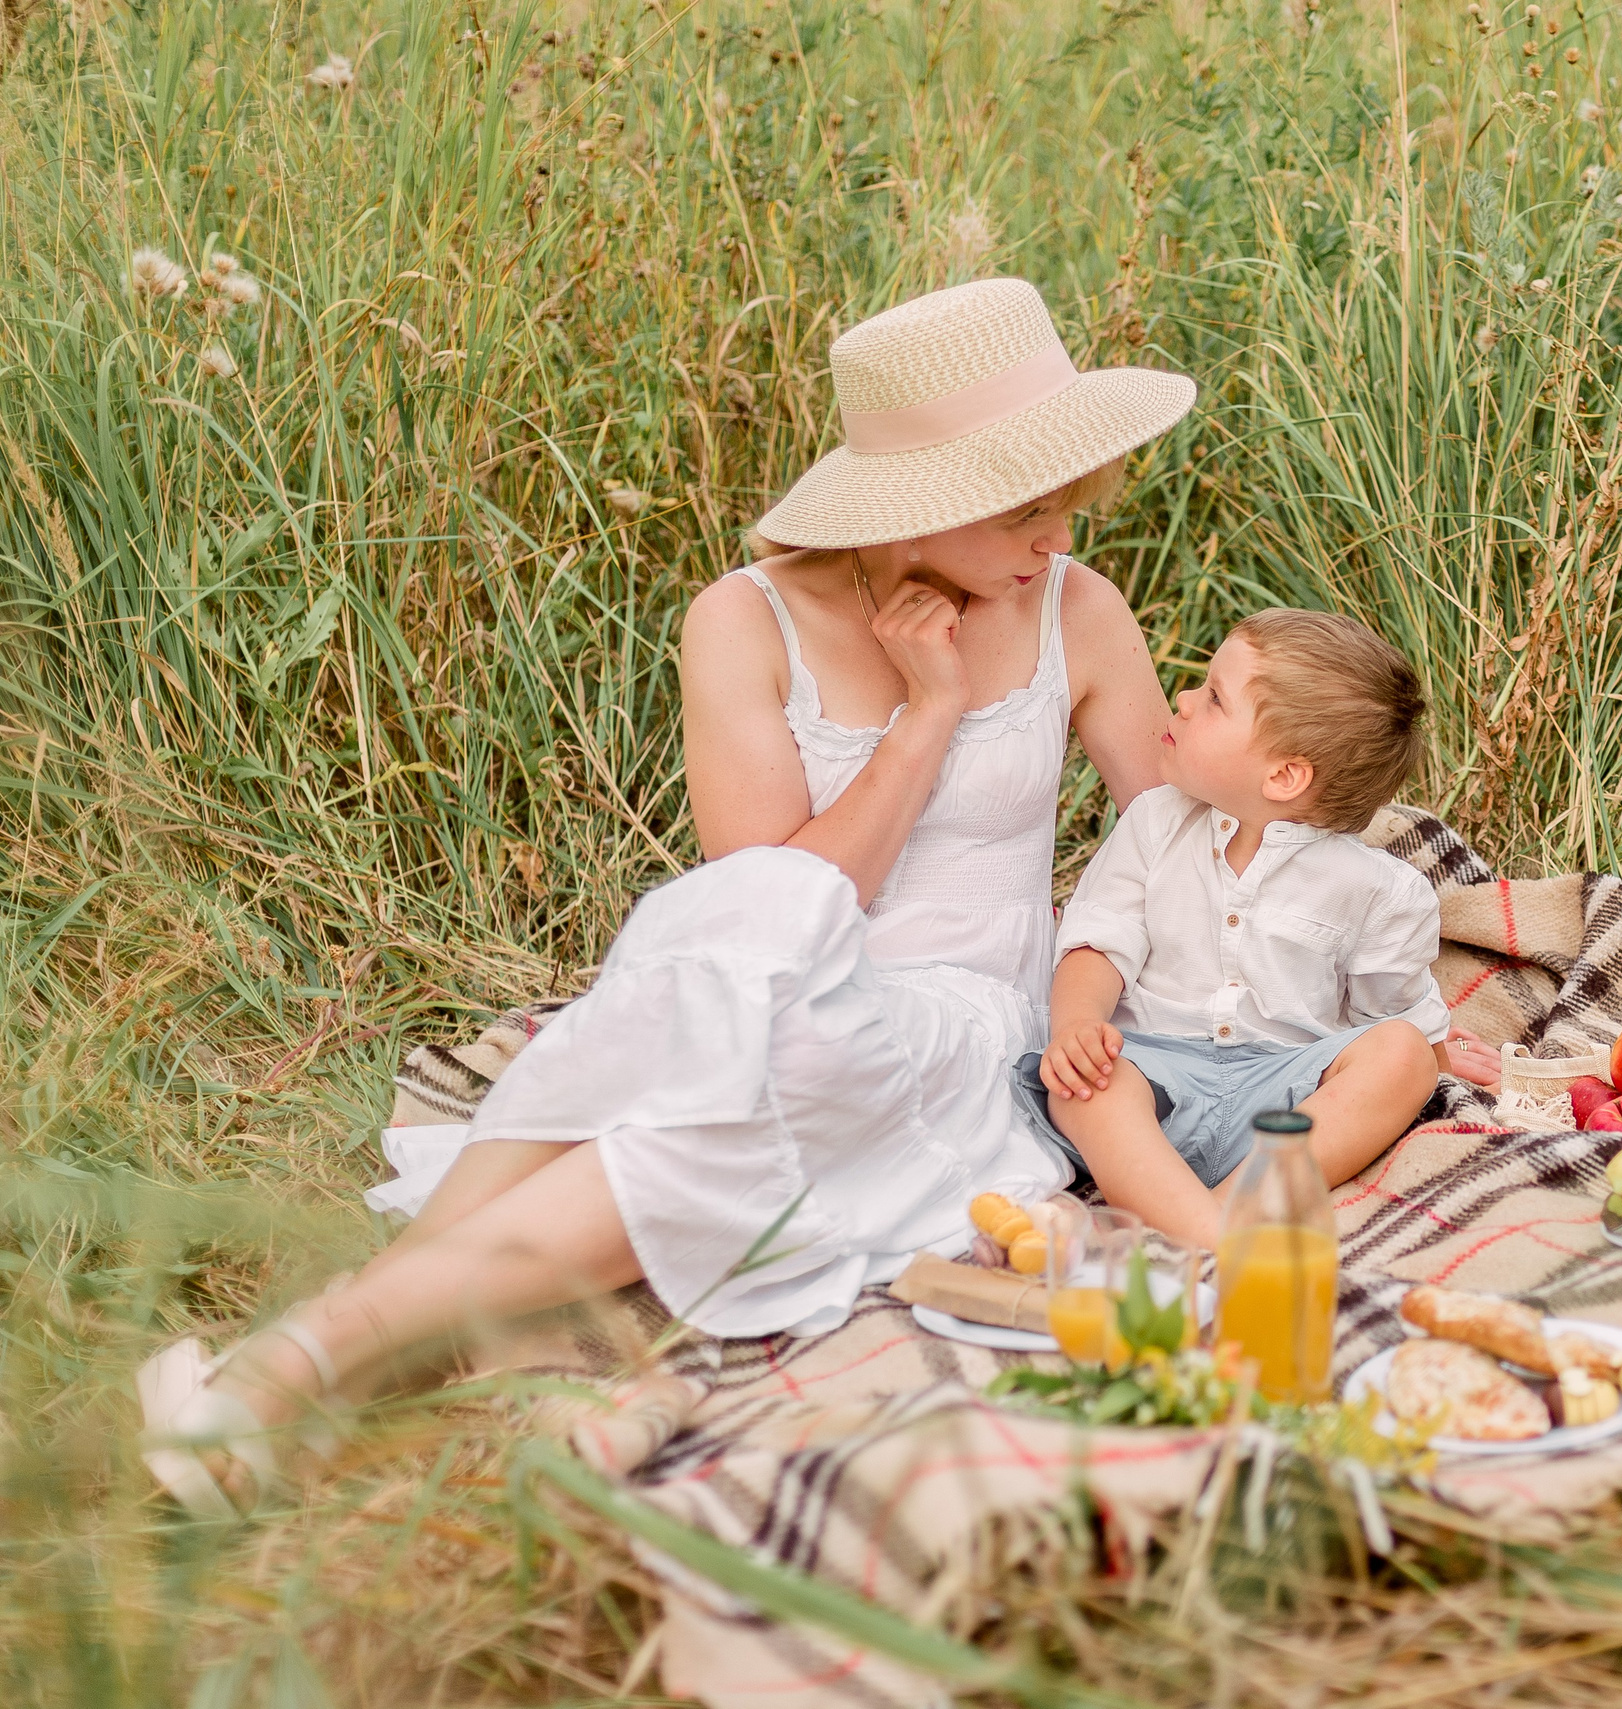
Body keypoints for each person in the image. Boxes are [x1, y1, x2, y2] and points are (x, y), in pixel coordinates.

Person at [138, 277, 1201, 1517]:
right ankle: (284, 1384)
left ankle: (283, 1370)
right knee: (733, 972)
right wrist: (928, 716)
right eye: (1028, 509)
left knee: (726, 1077)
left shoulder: (1081, 610)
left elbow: (1166, 847)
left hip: (954, 1024)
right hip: (765, 976)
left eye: (1070, 503)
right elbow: (784, 896)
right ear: (927, 501)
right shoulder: (743, 622)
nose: (1059, 539)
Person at [1028, 610, 1495, 1248]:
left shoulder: (1384, 891)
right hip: (1154, 1079)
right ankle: (1208, 1231)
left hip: (1285, 1097)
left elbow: (1394, 1012)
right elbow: (1098, 941)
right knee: (1085, 1090)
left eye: (1214, 697)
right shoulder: (1154, 825)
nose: (1184, 701)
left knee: (1401, 1056)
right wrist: (1077, 1027)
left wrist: (1433, 1054)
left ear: (1282, 775)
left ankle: (1227, 1210)